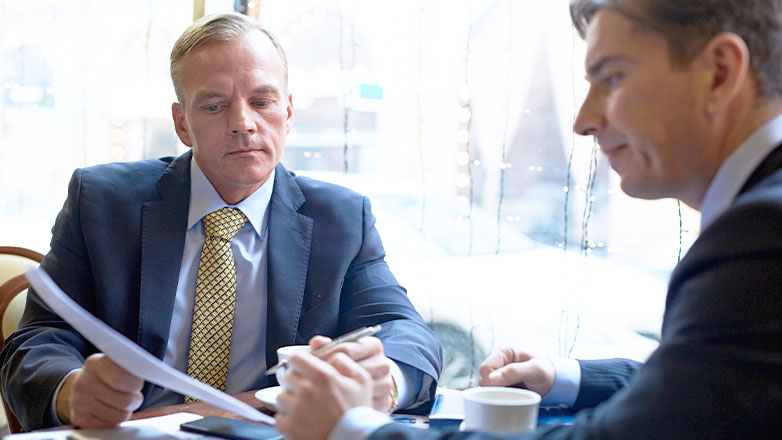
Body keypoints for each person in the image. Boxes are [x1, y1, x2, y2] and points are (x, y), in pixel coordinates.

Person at [273, 0, 782, 438]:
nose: (584, 120)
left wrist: (352, 429)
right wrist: (565, 377)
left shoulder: (759, 236)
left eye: (611, 78)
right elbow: (707, 386)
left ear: (718, 72)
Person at [0, 13, 442, 431]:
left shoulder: (340, 218)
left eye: (262, 101)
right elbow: (37, 341)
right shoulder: (101, 202)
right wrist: (73, 391)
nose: (243, 124)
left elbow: (407, 334)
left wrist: (382, 384)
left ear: (287, 113)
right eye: (214, 107)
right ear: (182, 124)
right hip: (138, 432)